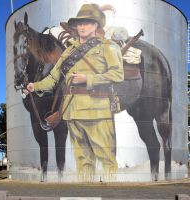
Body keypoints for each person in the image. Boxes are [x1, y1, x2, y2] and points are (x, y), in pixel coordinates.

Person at [27, 3, 124, 182]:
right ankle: (86, 192)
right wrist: (36, 86)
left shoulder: (108, 47)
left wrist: (88, 79)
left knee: (106, 159)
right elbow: (54, 78)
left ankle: (112, 191)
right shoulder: (69, 51)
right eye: (79, 24)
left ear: (96, 25)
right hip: (73, 112)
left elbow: (118, 74)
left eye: (87, 23)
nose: (82, 27)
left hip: (98, 111)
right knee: (83, 160)